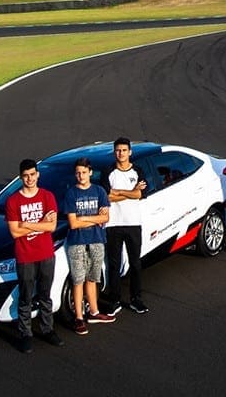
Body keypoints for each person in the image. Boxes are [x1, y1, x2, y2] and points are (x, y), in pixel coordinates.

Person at [4, 159, 63, 353]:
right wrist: (40, 222)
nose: (29, 178)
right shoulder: (13, 201)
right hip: (25, 256)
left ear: (38, 174)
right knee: (26, 296)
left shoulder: (47, 197)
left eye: (32, 174)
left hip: (46, 253)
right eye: (25, 175)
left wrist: (26, 224)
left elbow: (52, 226)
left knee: (45, 294)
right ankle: (25, 334)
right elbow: (14, 232)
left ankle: (47, 329)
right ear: (21, 177)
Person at [63, 157, 116, 335]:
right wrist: (94, 218)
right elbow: (73, 224)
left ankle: (93, 312)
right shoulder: (71, 194)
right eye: (78, 173)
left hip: (96, 240)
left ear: (90, 173)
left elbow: (105, 218)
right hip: (77, 243)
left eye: (84, 172)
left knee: (93, 278)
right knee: (78, 280)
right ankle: (79, 317)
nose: (81, 176)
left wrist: (84, 218)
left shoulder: (99, 191)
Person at [102, 137, 150, 315]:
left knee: (135, 263)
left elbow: (141, 194)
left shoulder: (138, 170)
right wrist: (131, 192)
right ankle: (114, 300)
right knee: (114, 264)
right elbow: (107, 197)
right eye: (117, 150)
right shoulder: (108, 171)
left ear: (130, 152)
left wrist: (119, 192)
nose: (120, 153)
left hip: (133, 223)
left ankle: (136, 299)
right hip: (113, 224)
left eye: (123, 150)